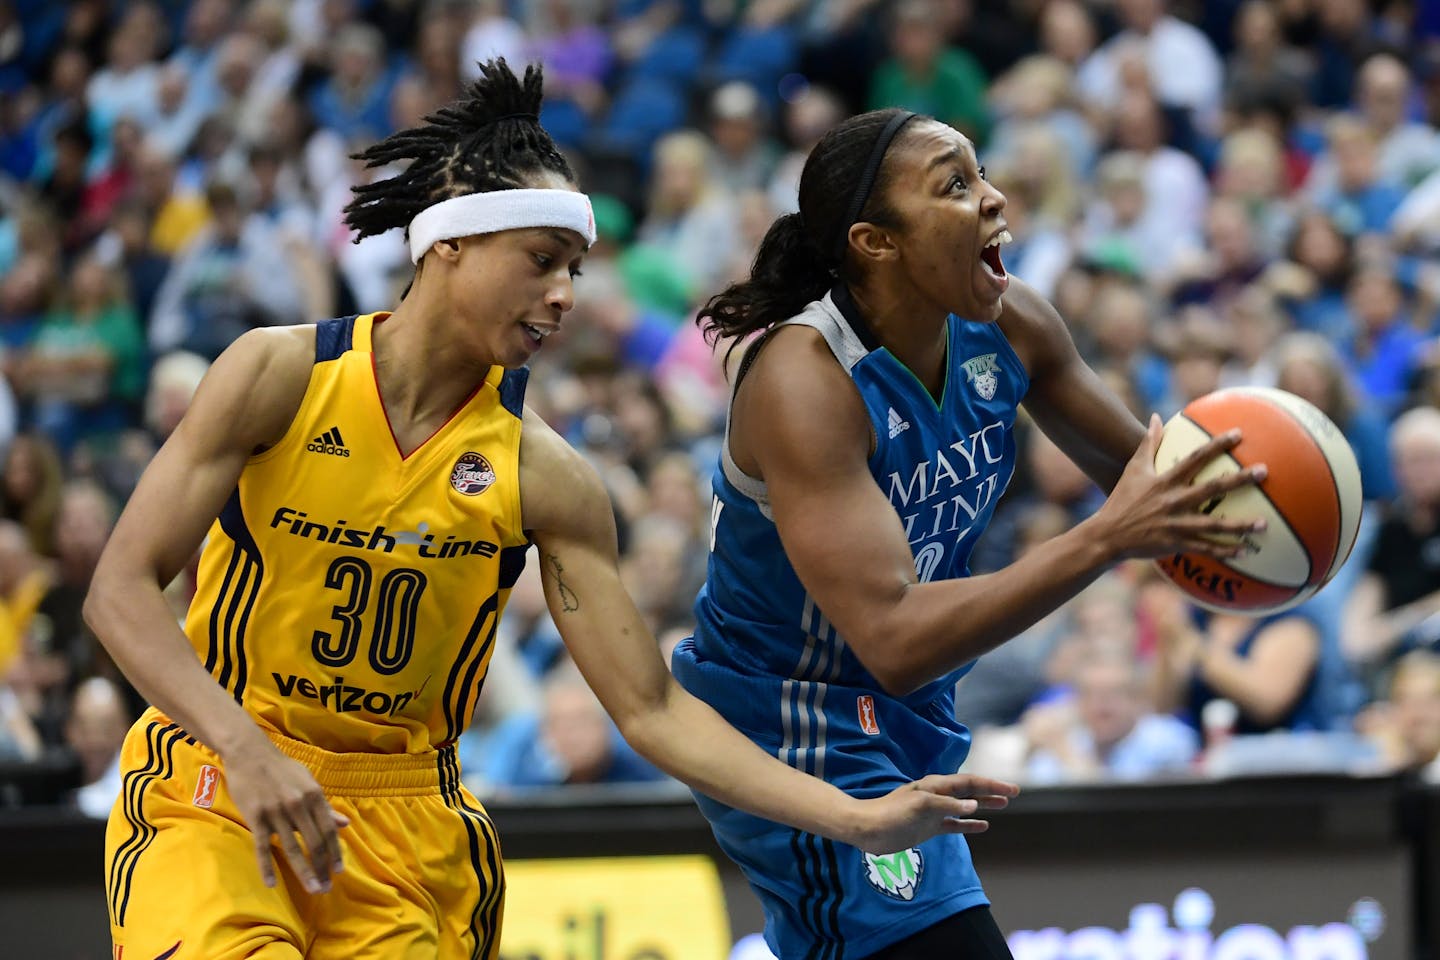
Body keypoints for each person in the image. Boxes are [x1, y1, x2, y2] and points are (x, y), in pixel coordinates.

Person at [81, 62, 1015, 960]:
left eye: (574, 267)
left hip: (410, 823)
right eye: (541, 260)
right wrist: (243, 750)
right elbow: (119, 590)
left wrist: (855, 817)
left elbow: (650, 711)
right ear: (448, 243)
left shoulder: (546, 474)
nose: (564, 294)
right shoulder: (280, 374)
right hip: (219, 780)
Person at [671, 107, 1265, 959]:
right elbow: (895, 637)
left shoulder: (1009, 320)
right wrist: (1106, 539)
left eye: (980, 174)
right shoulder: (804, 381)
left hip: (906, 711)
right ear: (877, 243)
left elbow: (1158, 487)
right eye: (955, 185)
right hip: (789, 724)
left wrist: (1260, 516)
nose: (993, 198)